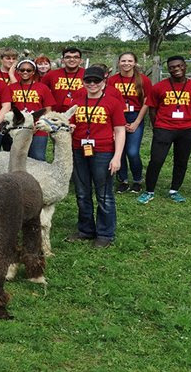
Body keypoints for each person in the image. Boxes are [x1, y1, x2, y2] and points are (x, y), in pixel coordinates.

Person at [67, 67, 126, 247]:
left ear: (103, 82)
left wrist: (117, 157)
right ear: (83, 82)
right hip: (79, 149)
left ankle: (105, 234)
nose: (92, 84)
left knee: (104, 193)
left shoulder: (112, 102)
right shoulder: (77, 101)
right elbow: (71, 123)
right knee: (82, 192)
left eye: (96, 81)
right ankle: (86, 230)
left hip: (103, 151)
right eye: (88, 81)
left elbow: (120, 130)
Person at [138, 56, 191, 204]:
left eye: (179, 66)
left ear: (185, 66)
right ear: (168, 69)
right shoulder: (159, 87)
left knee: (181, 161)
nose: (176, 69)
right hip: (164, 128)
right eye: (172, 67)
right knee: (156, 160)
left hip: (186, 130)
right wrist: (157, 126)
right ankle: (149, 191)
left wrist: (188, 118)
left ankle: (174, 190)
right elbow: (152, 108)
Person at [107, 52, 152, 193]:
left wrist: (137, 122)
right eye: (123, 61)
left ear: (135, 63)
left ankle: (137, 179)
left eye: (130, 61)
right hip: (117, 116)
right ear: (119, 62)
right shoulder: (112, 80)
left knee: (132, 152)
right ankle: (123, 180)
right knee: (119, 151)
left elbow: (147, 101)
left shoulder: (143, 80)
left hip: (134, 116)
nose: (126, 63)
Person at [8, 59, 55, 160]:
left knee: (38, 157)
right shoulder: (11, 88)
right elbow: (8, 109)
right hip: (19, 128)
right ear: (18, 71)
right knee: (19, 158)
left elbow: (48, 110)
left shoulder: (43, 88)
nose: (25, 72)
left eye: (29, 70)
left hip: (38, 129)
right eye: (22, 70)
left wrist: (39, 125)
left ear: (33, 72)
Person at [43, 46, 85, 113]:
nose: (72, 60)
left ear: (81, 60)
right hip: (56, 115)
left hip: (80, 114)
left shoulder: (87, 74)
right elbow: (40, 91)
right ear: (62, 60)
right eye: (68, 57)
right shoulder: (51, 74)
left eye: (76, 57)